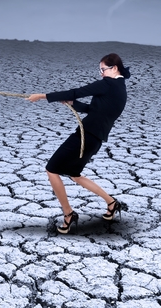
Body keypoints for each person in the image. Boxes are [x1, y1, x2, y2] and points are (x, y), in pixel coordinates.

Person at [27, 53, 130, 234]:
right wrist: (73, 103)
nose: (101, 74)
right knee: (74, 174)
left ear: (114, 68)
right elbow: (93, 110)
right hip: (95, 138)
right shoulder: (121, 89)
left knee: (51, 169)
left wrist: (42, 96)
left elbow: (77, 91)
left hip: (85, 135)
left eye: (103, 69)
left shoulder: (108, 84)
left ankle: (68, 214)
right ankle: (112, 203)